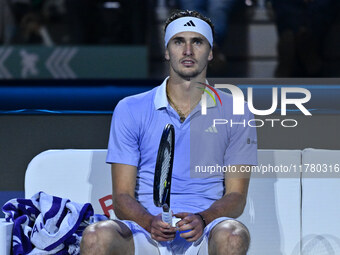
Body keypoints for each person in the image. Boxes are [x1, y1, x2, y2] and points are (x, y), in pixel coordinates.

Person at [80, 10, 257, 255]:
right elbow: (121, 197)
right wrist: (148, 221)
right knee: (95, 237)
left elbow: (236, 196)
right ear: (166, 51)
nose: (187, 51)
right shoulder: (130, 108)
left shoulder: (237, 111)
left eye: (197, 41)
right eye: (178, 41)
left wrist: (203, 219)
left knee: (234, 235)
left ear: (211, 52)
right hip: (145, 231)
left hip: (206, 231)